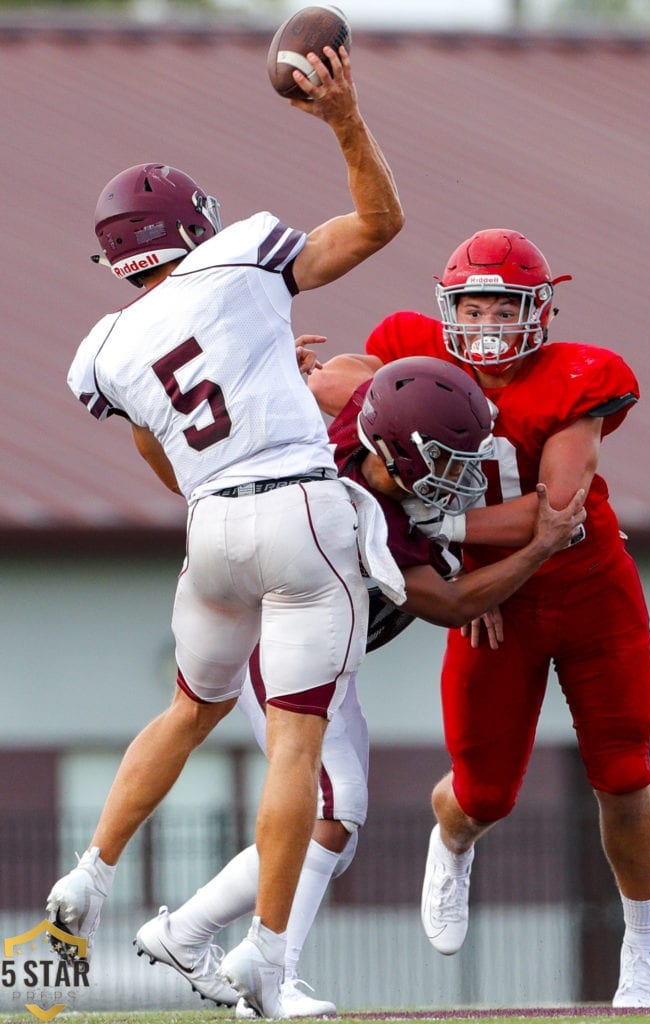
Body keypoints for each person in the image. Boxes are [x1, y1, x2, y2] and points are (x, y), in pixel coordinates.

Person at [47, 42, 406, 1021]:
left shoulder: (106, 348)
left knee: (185, 709)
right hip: (297, 509)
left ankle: (91, 869)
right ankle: (269, 963)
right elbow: (381, 223)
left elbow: (163, 450)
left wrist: (254, 387)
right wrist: (341, 118)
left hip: (210, 529)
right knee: (296, 751)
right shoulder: (242, 249)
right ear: (190, 224)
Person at [132, 354, 585, 1018]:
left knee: (334, 834)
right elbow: (450, 603)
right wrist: (536, 547)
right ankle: (269, 971)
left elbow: (359, 375)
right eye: (446, 460)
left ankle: (186, 933)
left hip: (319, 650)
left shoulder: (365, 422)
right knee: (333, 811)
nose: (460, 478)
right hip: (279, 645)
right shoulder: (366, 511)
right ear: (396, 454)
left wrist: (284, 366)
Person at [355, 228, 650, 1008]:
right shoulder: (409, 348)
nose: (488, 322)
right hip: (499, 607)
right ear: (448, 306)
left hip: (591, 589)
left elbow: (556, 511)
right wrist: (301, 374)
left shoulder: (579, 376)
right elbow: (359, 415)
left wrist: (445, 537)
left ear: (539, 310)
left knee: (624, 770)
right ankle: (452, 839)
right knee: (485, 794)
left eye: (503, 306)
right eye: (474, 305)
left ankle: (642, 939)